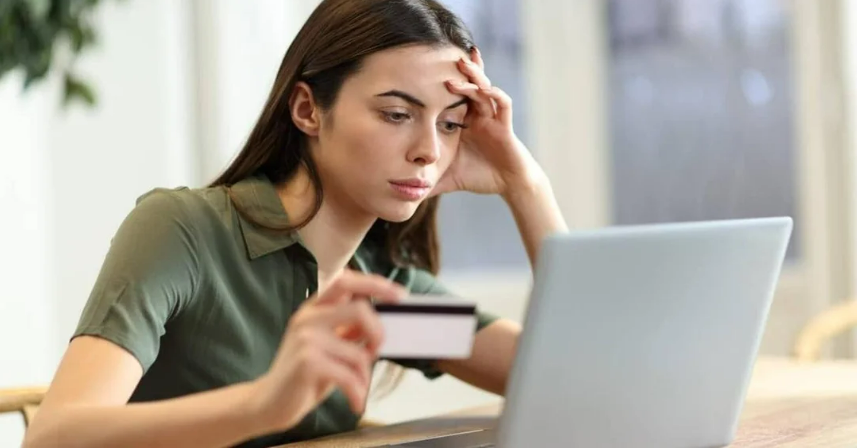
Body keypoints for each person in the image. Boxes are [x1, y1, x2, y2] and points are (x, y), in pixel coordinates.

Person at [24, 0, 568, 447]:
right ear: (308, 109)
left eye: (450, 124)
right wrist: (265, 405)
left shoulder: (382, 302)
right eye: (397, 115)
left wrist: (525, 185)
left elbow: (567, 380)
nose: (429, 150)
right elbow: (55, 436)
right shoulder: (183, 233)